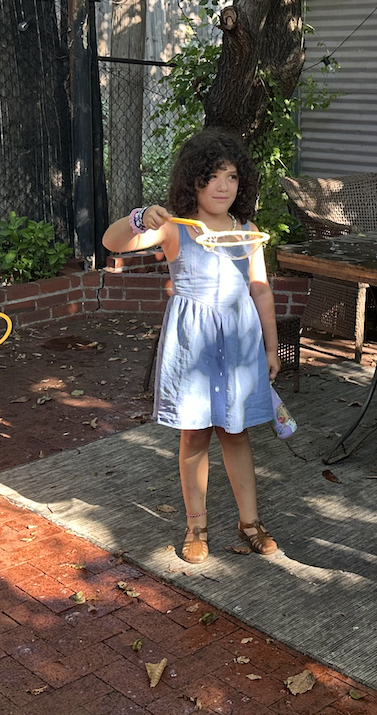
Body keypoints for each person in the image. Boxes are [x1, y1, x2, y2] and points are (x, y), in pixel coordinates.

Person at [103, 128, 280, 565]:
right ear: (193, 180)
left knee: (236, 433)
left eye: (232, 177)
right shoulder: (176, 228)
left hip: (238, 344)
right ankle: (195, 526)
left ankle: (250, 522)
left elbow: (260, 290)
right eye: (212, 176)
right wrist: (141, 218)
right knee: (195, 434)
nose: (223, 186)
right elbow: (113, 242)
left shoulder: (247, 231)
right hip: (193, 345)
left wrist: (271, 348)